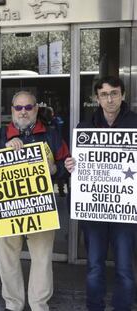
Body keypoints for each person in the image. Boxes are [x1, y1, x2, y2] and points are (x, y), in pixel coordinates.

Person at [0, 91, 69, 311]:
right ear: (12, 110)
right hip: (8, 208)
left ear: (36, 110)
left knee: (41, 259)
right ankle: (13, 304)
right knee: (7, 258)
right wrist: (3, 151)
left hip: (40, 207)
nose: (23, 112)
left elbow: (67, 166)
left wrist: (55, 168)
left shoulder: (51, 135)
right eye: (18, 108)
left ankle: (39, 305)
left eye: (28, 107)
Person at [65, 76, 136, 311]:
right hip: (94, 210)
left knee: (125, 267)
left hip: (125, 211)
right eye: (104, 94)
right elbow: (77, 165)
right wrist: (71, 166)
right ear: (97, 98)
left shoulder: (136, 125)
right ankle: (94, 307)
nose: (110, 98)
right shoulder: (84, 128)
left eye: (114, 93)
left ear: (123, 95)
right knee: (94, 265)